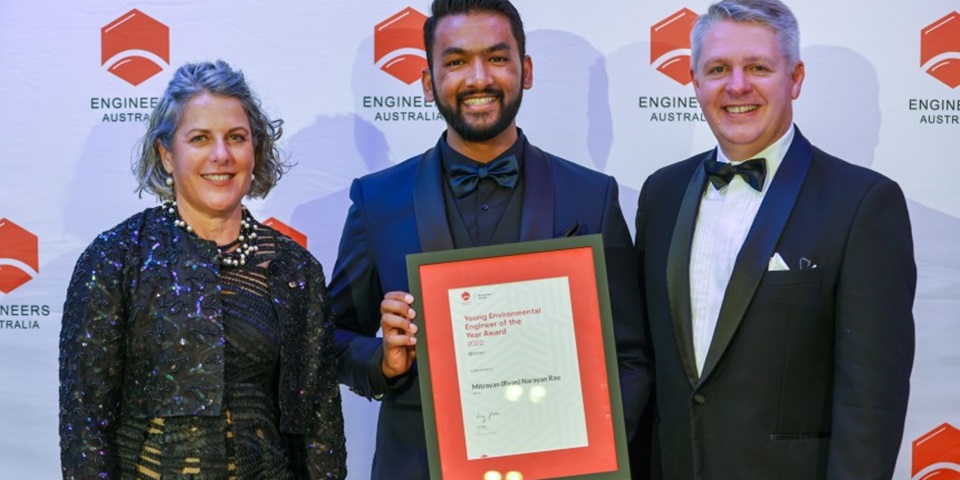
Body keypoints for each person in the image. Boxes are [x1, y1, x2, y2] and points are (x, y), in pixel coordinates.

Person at [328, 0, 651, 478]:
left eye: (497, 58)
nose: (478, 78)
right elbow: (331, 339)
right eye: (456, 62)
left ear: (527, 70)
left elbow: (631, 358)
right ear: (426, 81)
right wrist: (383, 360)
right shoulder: (377, 201)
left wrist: (588, 453)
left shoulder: (591, 197)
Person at [633, 0, 916, 478]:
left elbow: (871, 405)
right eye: (718, 68)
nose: (737, 86)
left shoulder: (863, 204)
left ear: (796, 78)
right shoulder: (661, 193)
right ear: (695, 80)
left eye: (758, 68)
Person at [59, 60, 347, 479]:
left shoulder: (293, 268)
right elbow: (85, 428)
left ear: (256, 149)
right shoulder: (115, 259)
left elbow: (319, 427)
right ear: (166, 154)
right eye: (199, 138)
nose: (221, 155)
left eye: (236, 137)